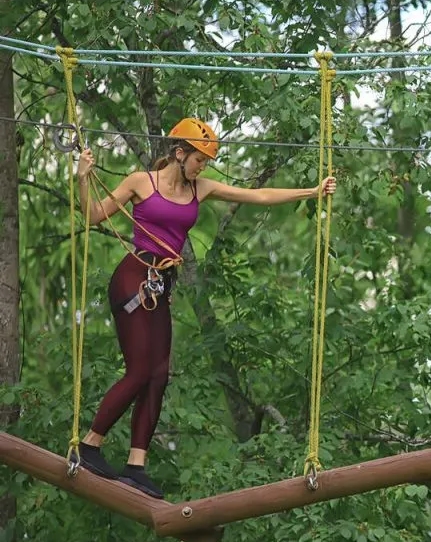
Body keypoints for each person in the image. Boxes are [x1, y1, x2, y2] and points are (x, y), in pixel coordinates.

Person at [72, 117, 336, 499]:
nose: (202, 167)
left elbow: (256, 196)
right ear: (180, 153)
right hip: (134, 277)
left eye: (206, 162)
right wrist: (83, 177)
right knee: (141, 368)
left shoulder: (202, 188)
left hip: (161, 285)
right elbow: (92, 215)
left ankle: (135, 465)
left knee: (159, 374)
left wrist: (311, 192)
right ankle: (90, 444)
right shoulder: (140, 182)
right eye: (198, 159)